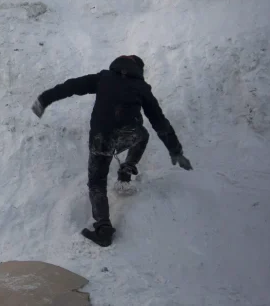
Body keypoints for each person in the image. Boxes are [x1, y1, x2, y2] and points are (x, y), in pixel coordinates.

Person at [31, 55, 192, 247]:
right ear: (138, 70)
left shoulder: (104, 78)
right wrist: (175, 150)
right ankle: (127, 169)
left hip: (101, 139)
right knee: (143, 135)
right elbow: (159, 121)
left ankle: (103, 228)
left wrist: (44, 99)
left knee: (97, 182)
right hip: (128, 135)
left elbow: (71, 86)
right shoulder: (141, 88)